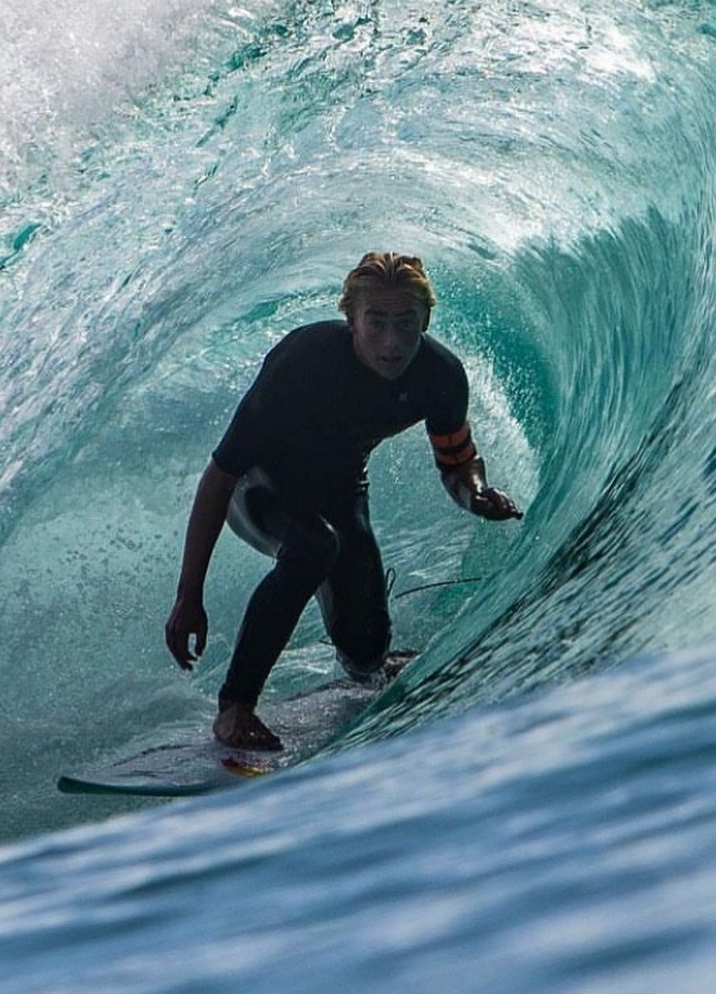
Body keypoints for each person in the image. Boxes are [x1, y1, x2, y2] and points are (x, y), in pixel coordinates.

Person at [164, 251, 522, 750]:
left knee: (366, 651)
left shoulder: (439, 375)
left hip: (339, 488)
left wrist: (477, 494)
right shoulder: (303, 362)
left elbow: (458, 462)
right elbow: (219, 476)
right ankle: (235, 709)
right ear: (350, 321)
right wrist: (188, 595)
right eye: (376, 322)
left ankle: (372, 664)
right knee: (314, 546)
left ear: (426, 320)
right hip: (258, 486)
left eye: (406, 323)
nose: (392, 342)